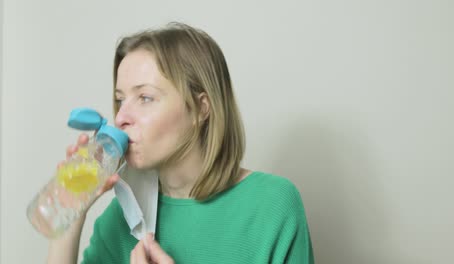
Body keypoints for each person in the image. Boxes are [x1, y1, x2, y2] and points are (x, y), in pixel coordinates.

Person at [47, 22, 314, 264]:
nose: (121, 117)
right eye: (120, 99)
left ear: (201, 109)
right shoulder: (124, 218)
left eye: (145, 98)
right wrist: (70, 214)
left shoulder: (272, 205)